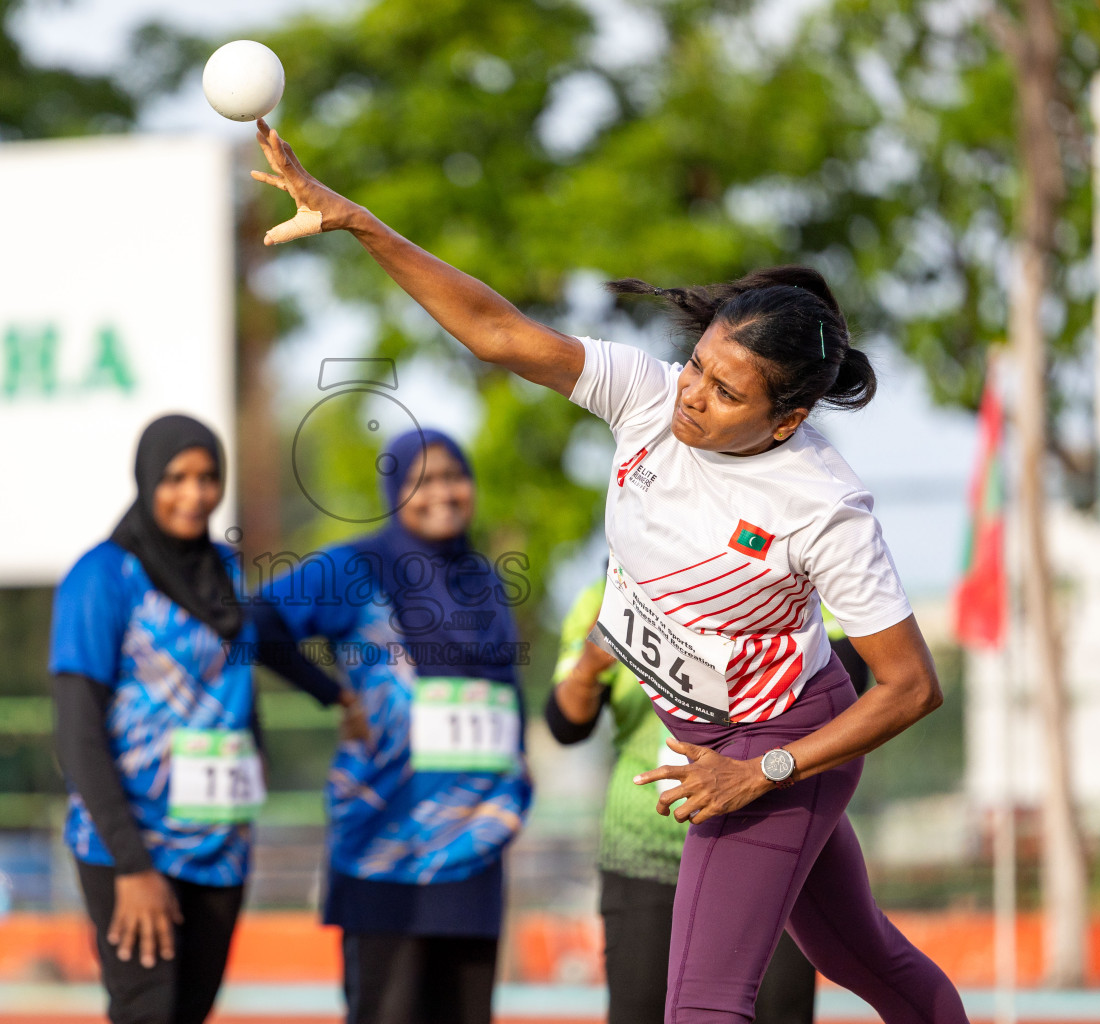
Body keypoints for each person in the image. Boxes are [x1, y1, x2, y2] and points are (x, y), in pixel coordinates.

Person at [249, 120, 969, 1024]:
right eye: (700, 365)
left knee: (702, 1004)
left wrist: (768, 771)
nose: (693, 399)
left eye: (727, 393)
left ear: (785, 421)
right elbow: (497, 332)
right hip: (720, 737)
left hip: (771, 744)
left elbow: (910, 688)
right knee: (864, 956)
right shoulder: (648, 393)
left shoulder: (823, 505)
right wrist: (359, 222)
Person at [48, 414, 341, 1024]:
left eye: (208, 477)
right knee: (147, 1011)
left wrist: (337, 696)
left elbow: (262, 637)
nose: (194, 494)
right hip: (133, 843)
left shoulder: (223, 570)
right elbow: (77, 733)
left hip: (221, 838)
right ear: (146, 479)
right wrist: (132, 866)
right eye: (175, 477)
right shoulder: (102, 577)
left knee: (192, 1010)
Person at [252, 429, 532, 1024]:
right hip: (388, 845)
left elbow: (503, 691)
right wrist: (331, 695)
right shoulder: (358, 567)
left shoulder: (483, 578)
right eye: (422, 480)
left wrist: (518, 781)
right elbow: (257, 620)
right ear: (394, 490)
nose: (444, 493)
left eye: (455, 476)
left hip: (475, 847)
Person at [548, 580, 816, 1024]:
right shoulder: (604, 594)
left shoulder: (783, 570)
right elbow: (566, 726)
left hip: (769, 837)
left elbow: (850, 678)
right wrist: (590, 663)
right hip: (646, 850)